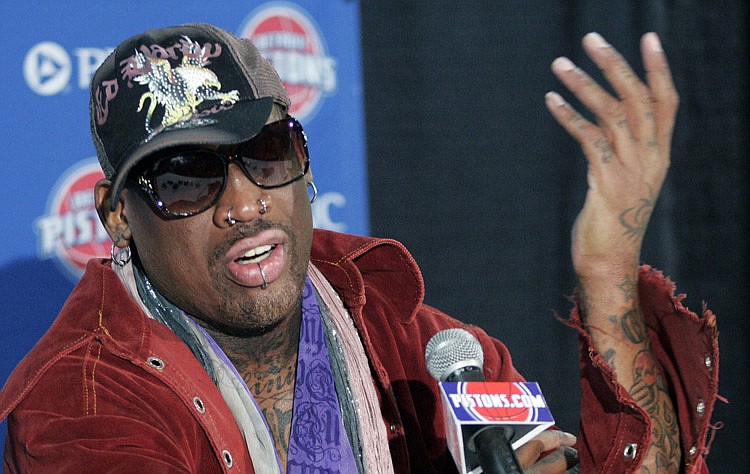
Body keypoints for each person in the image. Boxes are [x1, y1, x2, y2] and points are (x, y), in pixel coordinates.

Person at [0, 23, 717, 473]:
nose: (247, 202)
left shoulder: (425, 346)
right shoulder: (80, 399)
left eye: (267, 151)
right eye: (187, 179)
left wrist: (607, 272)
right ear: (116, 217)